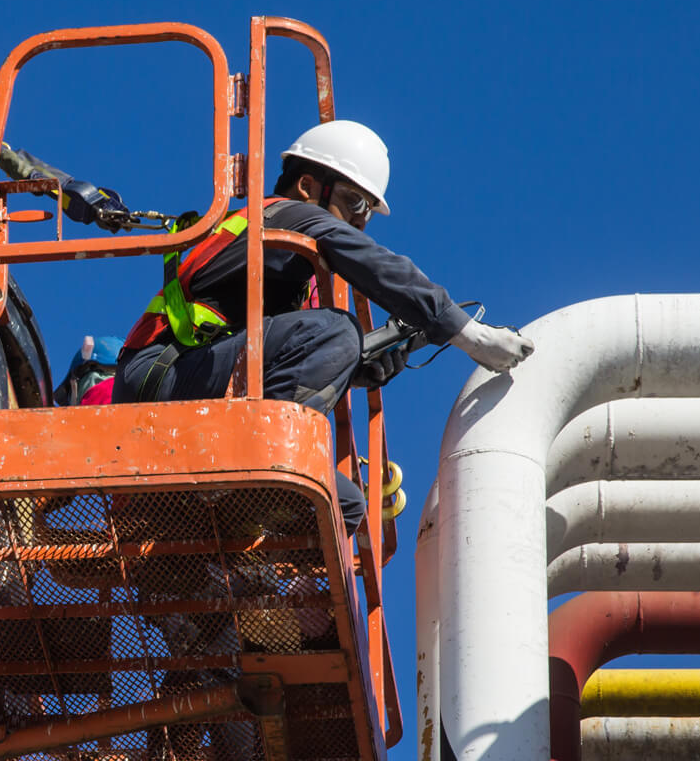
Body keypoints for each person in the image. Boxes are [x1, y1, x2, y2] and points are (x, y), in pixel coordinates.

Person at [112, 119, 535, 531]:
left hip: (203, 379)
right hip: (162, 377)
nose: (360, 221)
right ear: (308, 186)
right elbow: (377, 265)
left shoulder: (291, 271)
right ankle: (263, 461)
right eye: (355, 203)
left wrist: (363, 365)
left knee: (342, 504)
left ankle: (234, 533)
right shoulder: (285, 215)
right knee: (338, 330)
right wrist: (471, 334)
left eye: (368, 213)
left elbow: (280, 358)